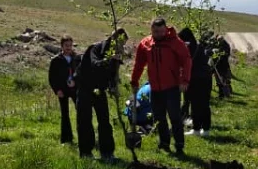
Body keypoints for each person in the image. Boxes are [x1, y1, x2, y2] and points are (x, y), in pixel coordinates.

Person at [131, 18, 193, 155]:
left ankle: (179, 145)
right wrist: (134, 81)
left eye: (160, 31)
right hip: (155, 88)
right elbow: (139, 64)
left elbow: (186, 60)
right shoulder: (146, 43)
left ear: (165, 29)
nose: (158, 34)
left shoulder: (176, 42)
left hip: (172, 87)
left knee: (175, 117)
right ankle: (164, 143)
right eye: (155, 31)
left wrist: (185, 80)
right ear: (151, 30)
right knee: (159, 118)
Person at [76, 28, 127, 160]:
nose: (122, 47)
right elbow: (95, 64)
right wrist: (109, 59)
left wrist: (113, 86)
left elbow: (112, 74)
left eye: (124, 45)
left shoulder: (116, 54)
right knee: (85, 120)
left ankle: (107, 153)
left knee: (104, 121)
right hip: (85, 88)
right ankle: (86, 153)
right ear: (113, 40)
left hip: (100, 90)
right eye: (121, 44)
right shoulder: (95, 48)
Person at [46, 35, 80, 146]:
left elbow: (81, 73)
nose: (68, 48)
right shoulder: (56, 60)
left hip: (75, 89)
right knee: (65, 114)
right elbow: (52, 77)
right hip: (63, 90)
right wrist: (57, 90)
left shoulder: (77, 58)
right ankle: (66, 139)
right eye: (66, 45)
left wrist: (76, 81)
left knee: (81, 112)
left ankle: (83, 136)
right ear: (61, 46)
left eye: (70, 45)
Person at [179, 28, 214, 137]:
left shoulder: (188, 47)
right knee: (204, 104)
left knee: (195, 104)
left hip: (196, 79)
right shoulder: (199, 46)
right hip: (206, 78)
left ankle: (197, 129)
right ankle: (205, 129)